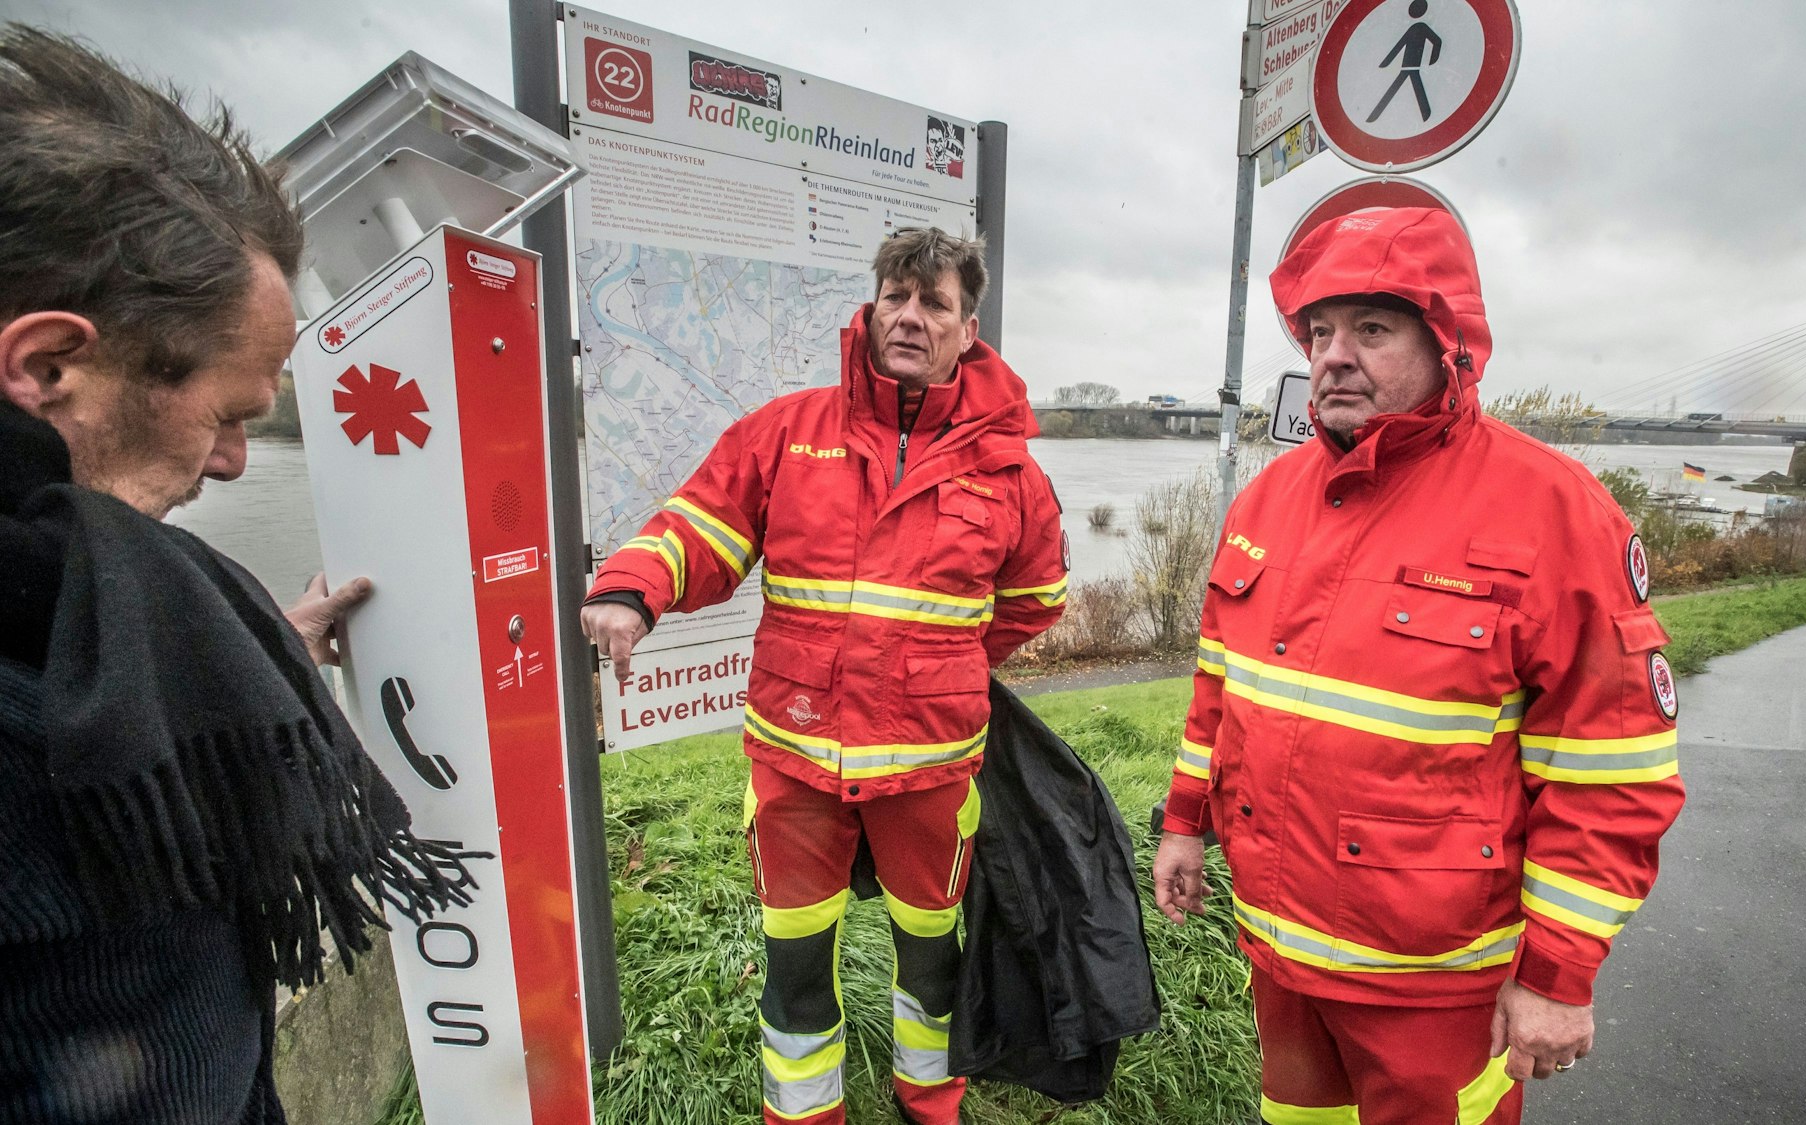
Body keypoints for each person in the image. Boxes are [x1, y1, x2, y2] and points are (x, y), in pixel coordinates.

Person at [0, 26, 467, 1123]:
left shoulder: (80, 602)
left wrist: (244, 657)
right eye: (225, 415)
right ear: (48, 366)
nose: (231, 463)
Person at [1151, 207, 1686, 1125]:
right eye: (1319, 331)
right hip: (1281, 957)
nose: (1333, 355)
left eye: (1371, 328)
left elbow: (1611, 772)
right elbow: (1219, 690)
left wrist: (1558, 976)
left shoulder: (1553, 510)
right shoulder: (1272, 498)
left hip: (1437, 987)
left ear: (1448, 345)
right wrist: (1184, 823)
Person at [581, 227, 1068, 1125]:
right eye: (896, 295)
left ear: (969, 328)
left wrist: (941, 664)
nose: (909, 317)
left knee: (932, 958)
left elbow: (1035, 598)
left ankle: (932, 1105)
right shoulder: (787, 432)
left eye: (934, 303)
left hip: (928, 767)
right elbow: (701, 527)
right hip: (796, 758)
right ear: (872, 303)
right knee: (795, 965)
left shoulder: (1010, 468)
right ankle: (806, 1116)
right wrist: (633, 586)